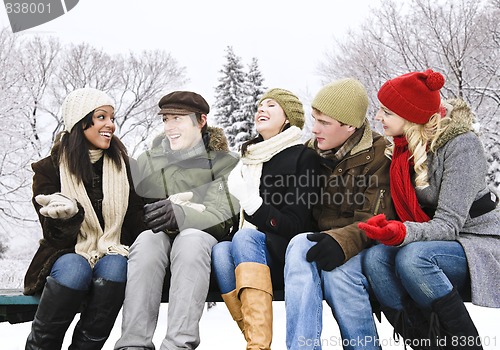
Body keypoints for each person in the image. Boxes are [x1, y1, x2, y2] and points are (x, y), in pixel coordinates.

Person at [360, 69, 500, 349]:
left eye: (386, 112)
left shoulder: (462, 146)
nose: (378, 117)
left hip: (479, 244)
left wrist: (402, 232)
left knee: (412, 258)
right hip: (439, 242)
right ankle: (426, 344)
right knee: (375, 259)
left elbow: (448, 225)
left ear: (410, 116)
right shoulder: (401, 150)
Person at [114, 91, 239, 350]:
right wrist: (152, 218)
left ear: (201, 121)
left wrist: (182, 215)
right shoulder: (147, 161)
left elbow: (224, 216)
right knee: (147, 240)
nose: (170, 127)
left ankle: (178, 344)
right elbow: (133, 213)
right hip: (156, 253)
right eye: (166, 119)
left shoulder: (224, 162)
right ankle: (133, 344)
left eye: (178, 119)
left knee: (190, 240)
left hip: (198, 252)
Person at [24, 87, 147, 350]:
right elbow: (53, 236)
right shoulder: (49, 169)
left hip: (113, 249)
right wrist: (67, 216)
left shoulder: (128, 167)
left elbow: (137, 224)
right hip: (66, 252)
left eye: (112, 118)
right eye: (102, 117)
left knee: (116, 266)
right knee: (75, 268)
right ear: (81, 122)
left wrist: (166, 206)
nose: (110, 125)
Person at [284, 78, 396, 350]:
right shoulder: (308, 154)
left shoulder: (380, 154)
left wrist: (340, 241)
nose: (315, 129)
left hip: (364, 245)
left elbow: (377, 218)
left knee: (340, 274)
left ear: (350, 126)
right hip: (321, 243)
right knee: (299, 244)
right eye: (314, 119)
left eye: (324, 122)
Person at [211, 88, 323, 350]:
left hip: (288, 253)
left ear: (287, 119)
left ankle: (258, 346)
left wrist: (253, 203)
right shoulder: (247, 159)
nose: (261, 108)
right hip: (248, 254)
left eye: (271, 105)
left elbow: (296, 224)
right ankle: (255, 339)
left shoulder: (303, 157)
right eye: (260, 105)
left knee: (246, 236)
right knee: (220, 251)